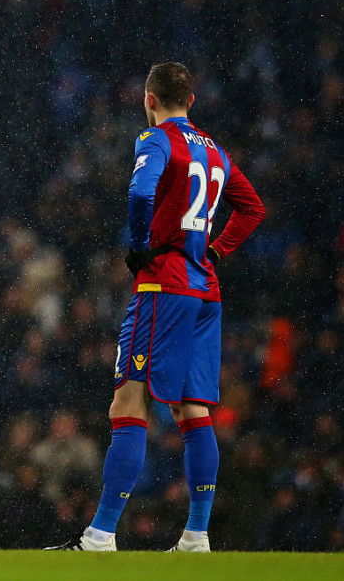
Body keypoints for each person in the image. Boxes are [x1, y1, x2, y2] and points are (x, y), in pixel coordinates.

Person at [48, 62, 266, 552]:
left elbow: (141, 190)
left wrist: (140, 245)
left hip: (164, 287)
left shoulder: (156, 141)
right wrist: (216, 250)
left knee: (129, 399)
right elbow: (253, 208)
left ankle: (100, 535)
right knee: (193, 411)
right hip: (205, 291)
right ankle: (196, 535)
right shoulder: (215, 151)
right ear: (191, 100)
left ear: (149, 100)